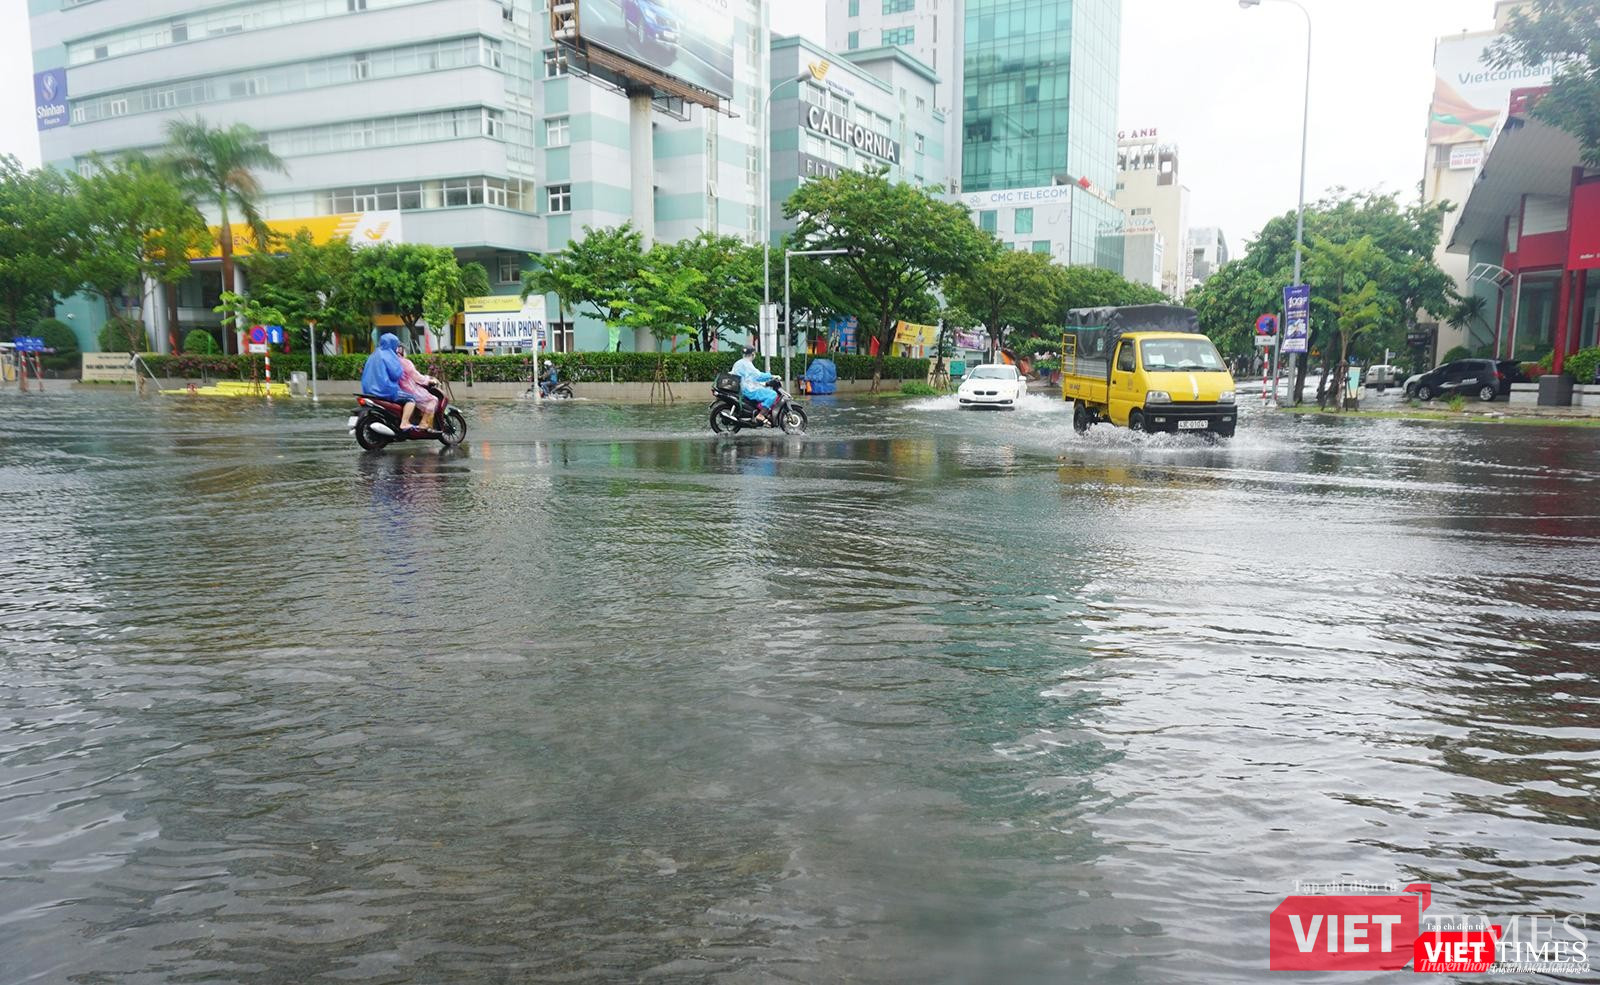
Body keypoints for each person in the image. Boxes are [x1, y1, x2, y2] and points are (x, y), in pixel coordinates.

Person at [359, 333, 414, 428]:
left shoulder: (373, 355)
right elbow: (396, 374)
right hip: (385, 390)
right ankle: (404, 422)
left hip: (368, 391)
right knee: (411, 399)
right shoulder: (389, 355)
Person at [731, 345, 778, 425]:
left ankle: (760, 411)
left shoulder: (739, 363)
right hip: (749, 390)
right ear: (753, 354)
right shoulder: (747, 364)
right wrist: (771, 376)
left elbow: (753, 377)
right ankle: (760, 415)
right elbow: (758, 376)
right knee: (773, 394)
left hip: (743, 388)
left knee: (766, 391)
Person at [397, 346, 440, 430]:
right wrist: (428, 380)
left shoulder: (392, 361)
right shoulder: (405, 362)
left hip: (397, 390)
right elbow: (417, 377)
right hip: (409, 389)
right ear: (402, 352)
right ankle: (423, 423)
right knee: (433, 399)